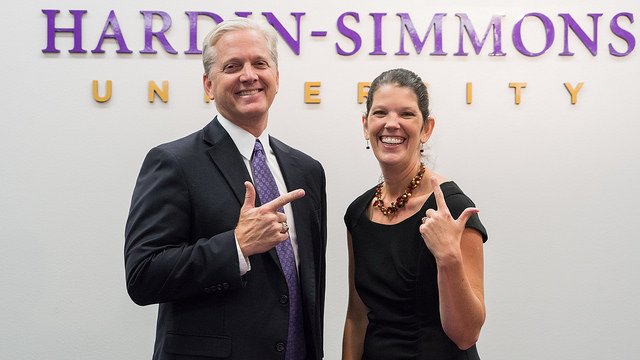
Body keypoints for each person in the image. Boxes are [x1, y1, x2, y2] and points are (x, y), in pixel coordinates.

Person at [124, 17, 326, 360]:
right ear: (208, 84)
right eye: (232, 66)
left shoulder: (307, 171)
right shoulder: (173, 162)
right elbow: (143, 275)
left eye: (260, 63)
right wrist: (236, 246)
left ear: (277, 78)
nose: (249, 75)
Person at [342, 68, 488, 360]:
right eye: (380, 113)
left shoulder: (453, 208)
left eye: (406, 114)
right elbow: (357, 316)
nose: (391, 124)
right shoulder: (358, 213)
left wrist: (449, 258)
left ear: (426, 128)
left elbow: (466, 334)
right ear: (365, 125)